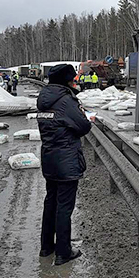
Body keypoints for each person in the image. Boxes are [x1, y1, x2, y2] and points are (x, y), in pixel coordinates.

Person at [36, 64, 93, 265]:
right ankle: (63, 251)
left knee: (50, 202)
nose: (74, 82)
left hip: (49, 158)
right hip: (66, 159)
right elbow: (83, 126)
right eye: (72, 79)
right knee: (64, 207)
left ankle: (46, 247)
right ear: (66, 80)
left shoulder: (43, 99)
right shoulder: (66, 100)